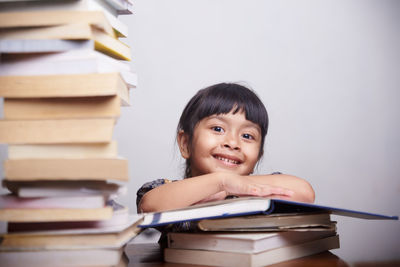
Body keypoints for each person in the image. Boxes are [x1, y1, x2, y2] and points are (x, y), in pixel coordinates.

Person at [136, 83, 315, 242]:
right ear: (185, 144)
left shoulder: (259, 192)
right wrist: (221, 181)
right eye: (218, 128)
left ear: (258, 157)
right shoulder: (168, 192)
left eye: (247, 136)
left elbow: (304, 192)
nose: (233, 143)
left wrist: (239, 185)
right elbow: (149, 205)